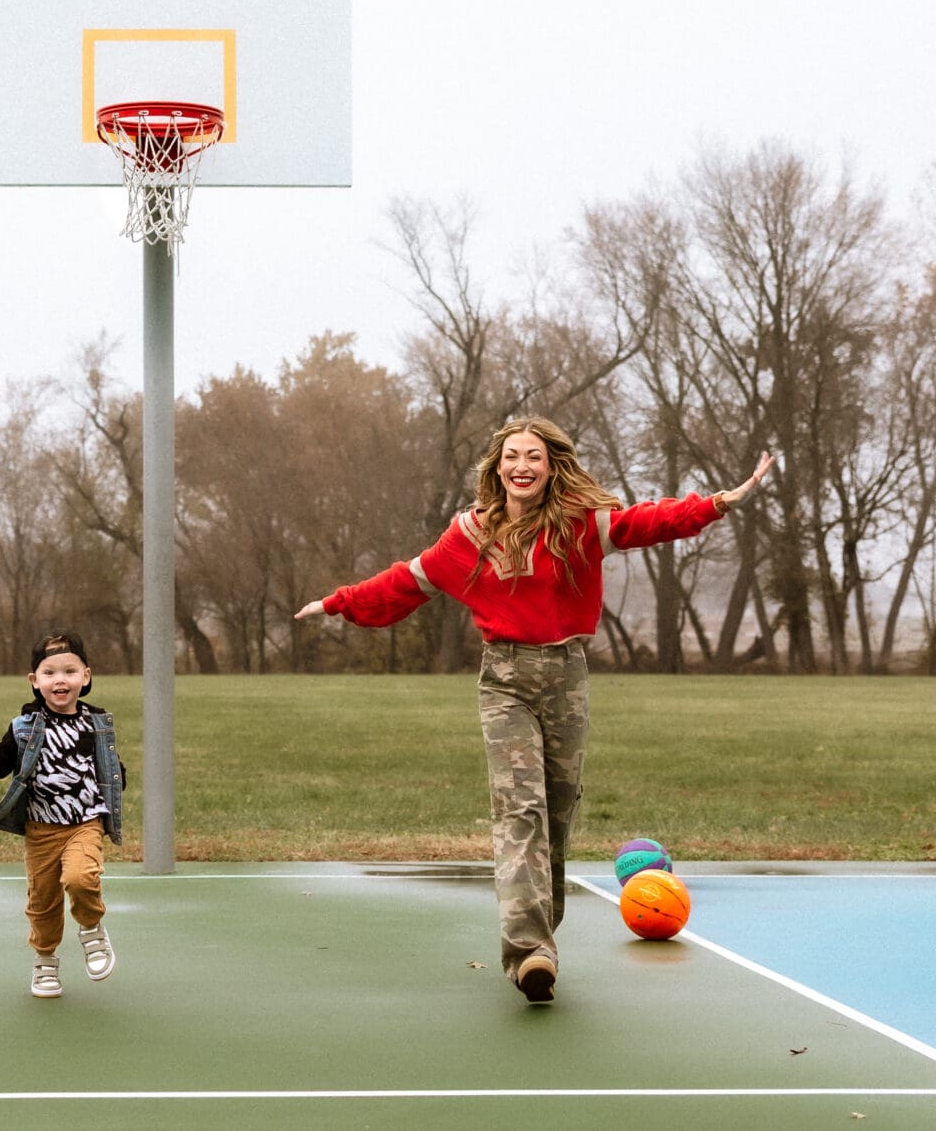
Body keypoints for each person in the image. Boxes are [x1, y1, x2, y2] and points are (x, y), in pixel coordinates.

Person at [297, 418, 772, 1004]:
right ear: (497, 466)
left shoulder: (580, 526)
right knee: (519, 809)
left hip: (567, 677)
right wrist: (339, 603)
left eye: (535, 457)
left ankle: (543, 936)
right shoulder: (467, 537)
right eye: (513, 456)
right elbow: (406, 581)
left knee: (556, 813)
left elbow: (648, 521)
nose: (523, 465)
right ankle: (529, 953)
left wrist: (719, 503)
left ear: (551, 468)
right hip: (505, 682)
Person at [0, 629, 128, 999]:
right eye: (49, 673)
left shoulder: (97, 724)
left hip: (85, 821)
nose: (60, 680)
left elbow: (111, 766)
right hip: (42, 827)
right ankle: (46, 959)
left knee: (81, 878)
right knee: (44, 901)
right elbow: (4, 755)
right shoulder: (26, 725)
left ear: (86, 676)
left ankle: (91, 928)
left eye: (69, 671)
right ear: (35, 681)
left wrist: (115, 783)